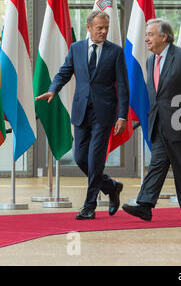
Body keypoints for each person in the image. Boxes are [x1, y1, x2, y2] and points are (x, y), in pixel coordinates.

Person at [35, 11, 129, 220]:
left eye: (106, 27)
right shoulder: (76, 48)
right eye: (99, 28)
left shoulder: (116, 52)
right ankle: (111, 186)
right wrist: (53, 89)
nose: (104, 31)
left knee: (95, 160)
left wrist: (122, 116)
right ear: (89, 27)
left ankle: (89, 206)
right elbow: (64, 71)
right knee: (80, 158)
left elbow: (123, 86)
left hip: (104, 114)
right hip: (81, 111)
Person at [122, 18, 181, 222]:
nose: (146, 39)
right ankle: (145, 205)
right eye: (146, 35)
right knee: (157, 164)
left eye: (150, 35)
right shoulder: (151, 61)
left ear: (164, 36)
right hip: (159, 124)